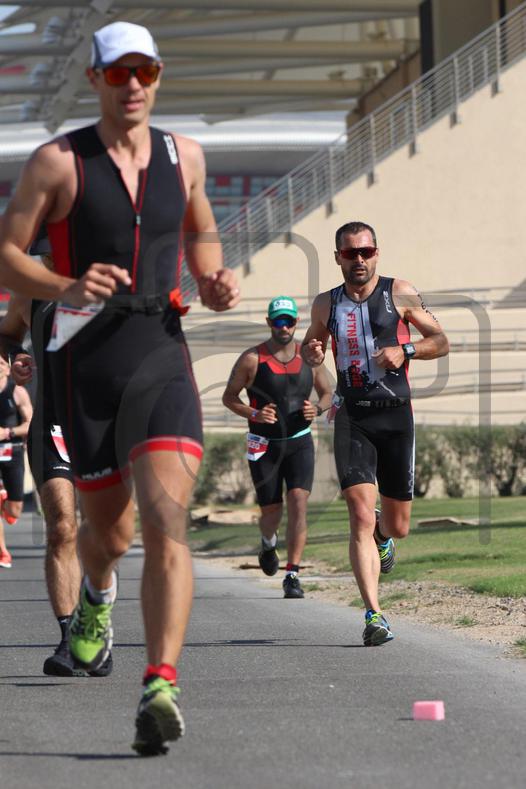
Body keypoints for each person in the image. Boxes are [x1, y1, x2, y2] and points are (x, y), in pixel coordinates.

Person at [0, 20, 239, 755]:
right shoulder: (58, 162)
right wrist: (66, 283)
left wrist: (212, 278)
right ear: (95, 79)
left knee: (167, 519)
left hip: (160, 351)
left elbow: (201, 232)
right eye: (117, 72)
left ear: (158, 76)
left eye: (144, 71)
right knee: (108, 535)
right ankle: (95, 601)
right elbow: (8, 256)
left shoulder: (184, 155)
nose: (132, 84)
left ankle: (159, 683)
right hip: (85, 363)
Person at [301, 221, 449, 646]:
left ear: (376, 253)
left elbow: (440, 340)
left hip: (396, 416)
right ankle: (374, 614)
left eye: (365, 252)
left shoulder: (398, 291)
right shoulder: (325, 304)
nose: (359, 260)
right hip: (353, 417)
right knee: (360, 515)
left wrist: (405, 350)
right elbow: (311, 349)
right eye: (350, 253)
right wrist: (313, 354)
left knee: (397, 525)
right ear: (338, 258)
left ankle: (384, 538)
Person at [0, 239, 112, 677]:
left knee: (102, 534)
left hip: (102, 423)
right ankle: (69, 638)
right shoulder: (31, 290)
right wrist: (17, 357)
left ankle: (96, 624)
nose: (52, 257)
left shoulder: (108, 285)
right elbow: (8, 334)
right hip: (52, 421)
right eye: (45, 251)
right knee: (62, 527)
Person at [222, 296, 332, 599]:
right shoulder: (252, 359)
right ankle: (268, 543)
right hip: (264, 445)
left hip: (300, 442)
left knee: (298, 502)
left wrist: (317, 409)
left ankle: (292, 574)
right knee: (271, 511)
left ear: (296, 323)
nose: (284, 326)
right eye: (278, 321)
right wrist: (254, 414)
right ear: (270, 323)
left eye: (289, 321)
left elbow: (327, 394)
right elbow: (229, 397)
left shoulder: (310, 358)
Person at [0, 353, 32, 568]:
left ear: (7, 367)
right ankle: (3, 552)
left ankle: (6, 503)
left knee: (14, 511)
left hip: (12, 452)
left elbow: (30, 422)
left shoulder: (17, 391)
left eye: (1, 362)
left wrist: (7, 432)